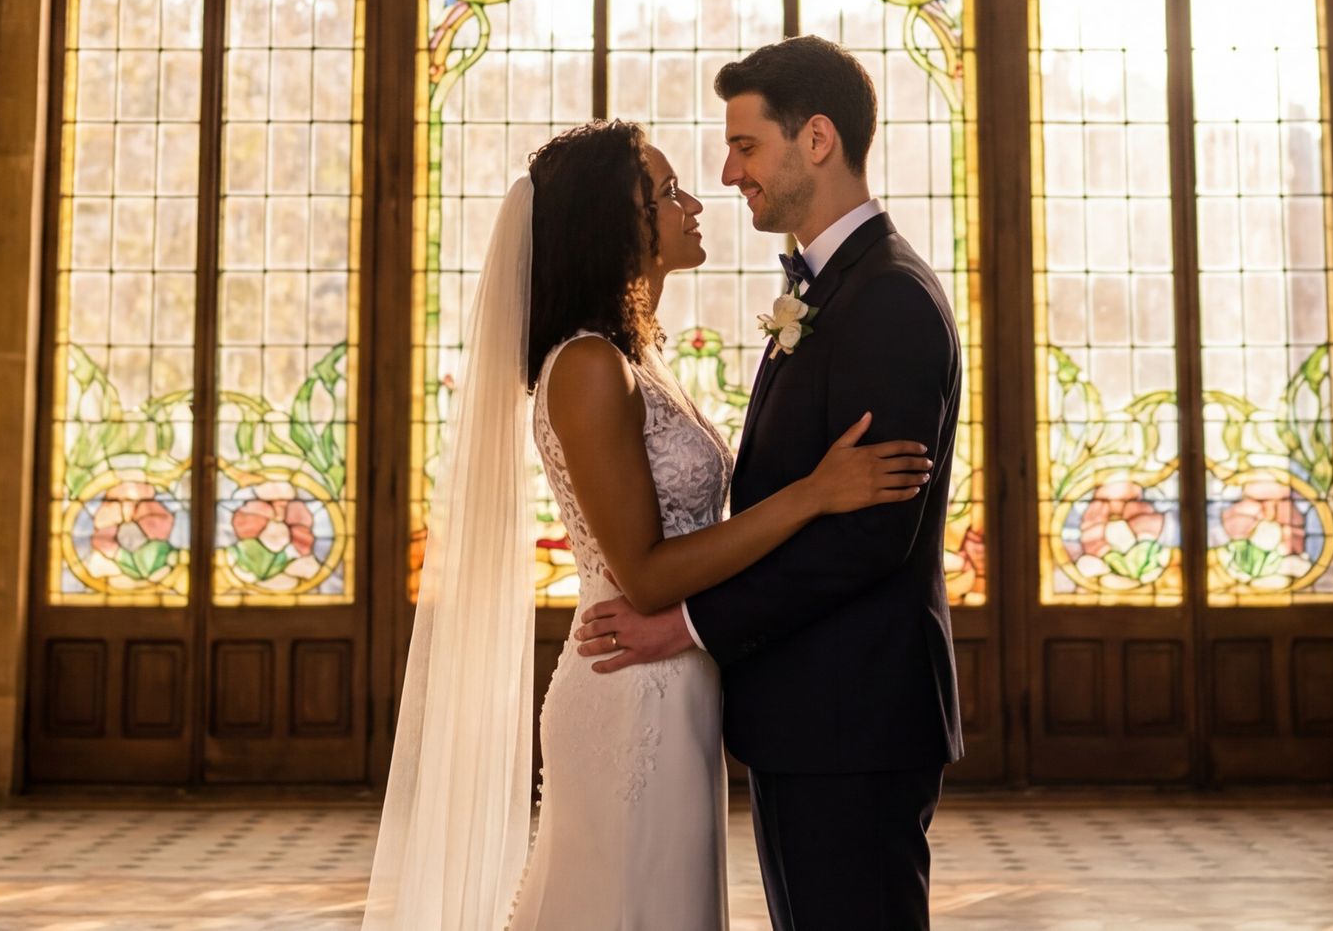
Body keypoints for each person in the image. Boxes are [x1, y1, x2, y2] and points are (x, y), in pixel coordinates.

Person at [364, 113, 931, 931]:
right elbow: (648, 573)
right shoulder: (590, 366)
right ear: (615, 226)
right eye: (667, 192)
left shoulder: (636, 355)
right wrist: (812, 493)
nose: (695, 201)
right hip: (631, 692)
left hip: (679, 686)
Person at [578, 37, 965, 931]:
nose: (727, 170)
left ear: (817, 138)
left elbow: (869, 537)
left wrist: (686, 623)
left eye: (746, 145)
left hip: (855, 717)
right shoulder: (834, 289)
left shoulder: (890, 298)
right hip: (813, 716)